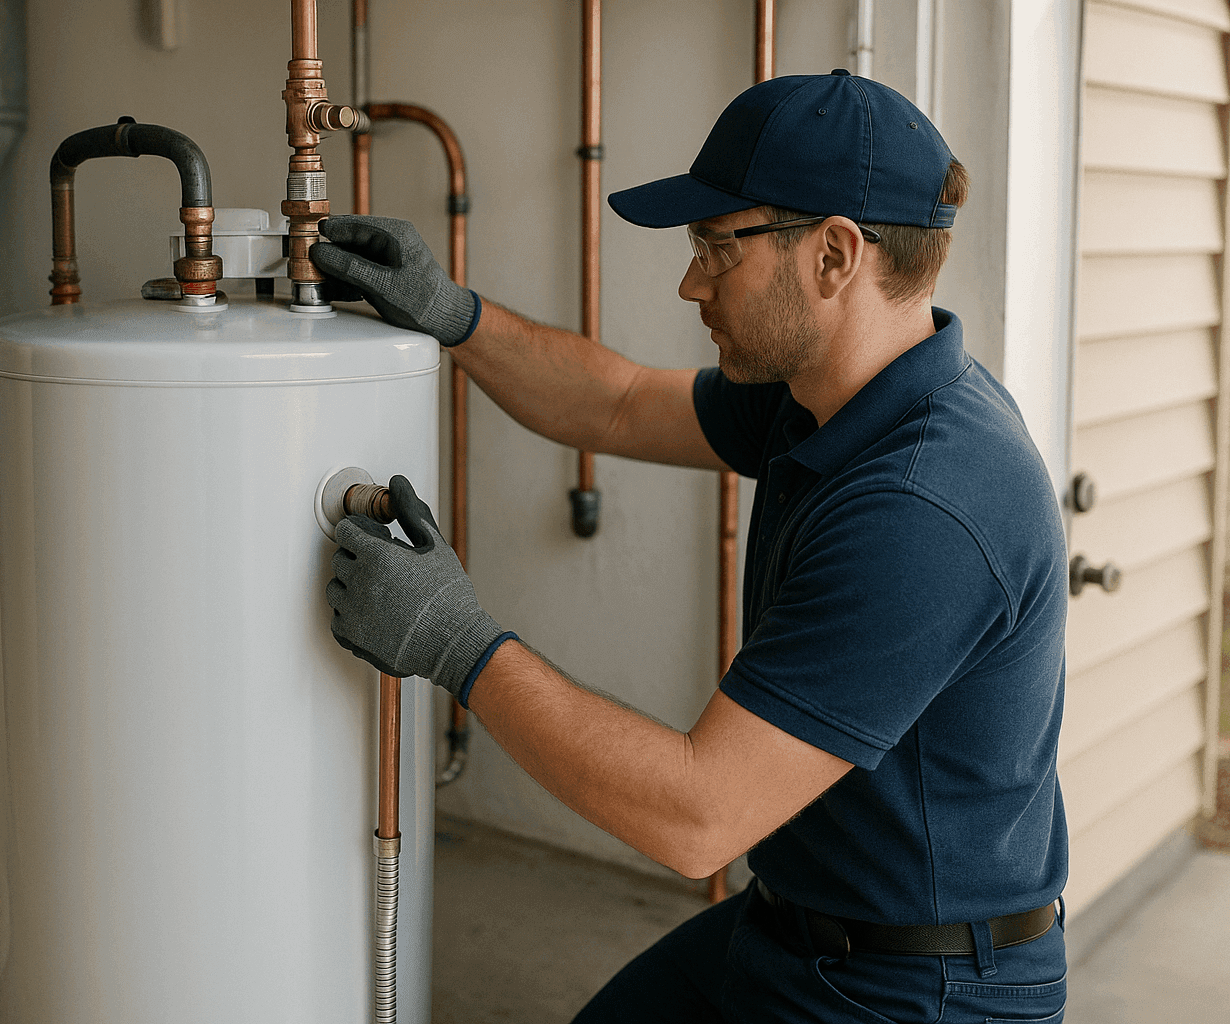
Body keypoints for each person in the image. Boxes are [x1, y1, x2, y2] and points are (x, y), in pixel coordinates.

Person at [312, 69, 1069, 1024]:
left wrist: (454, 642)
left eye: (718, 247)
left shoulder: (924, 508)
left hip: (911, 989)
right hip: (803, 917)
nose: (689, 281)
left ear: (835, 254)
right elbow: (619, 402)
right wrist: (454, 314)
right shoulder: (841, 393)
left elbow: (696, 813)